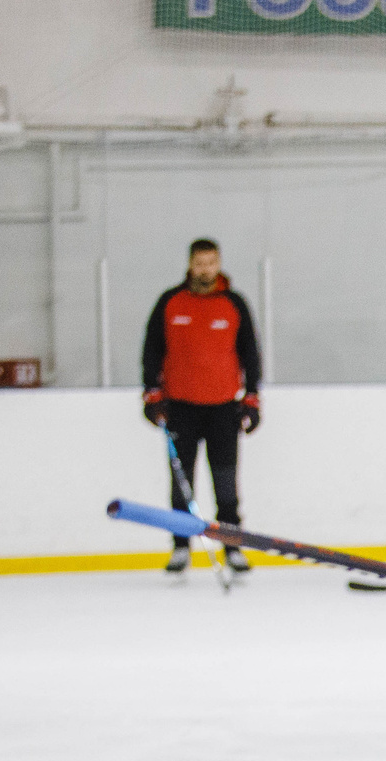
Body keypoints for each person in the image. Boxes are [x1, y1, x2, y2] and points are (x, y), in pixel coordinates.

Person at [141, 238, 262, 578]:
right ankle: (181, 546)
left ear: (218, 264)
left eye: (211, 263)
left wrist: (252, 397)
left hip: (223, 409)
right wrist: (151, 393)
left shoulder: (234, 303)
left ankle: (232, 547)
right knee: (182, 483)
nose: (205, 269)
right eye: (200, 263)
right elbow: (152, 350)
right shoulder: (170, 302)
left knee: (226, 484)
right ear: (190, 265)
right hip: (180, 408)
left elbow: (250, 353)